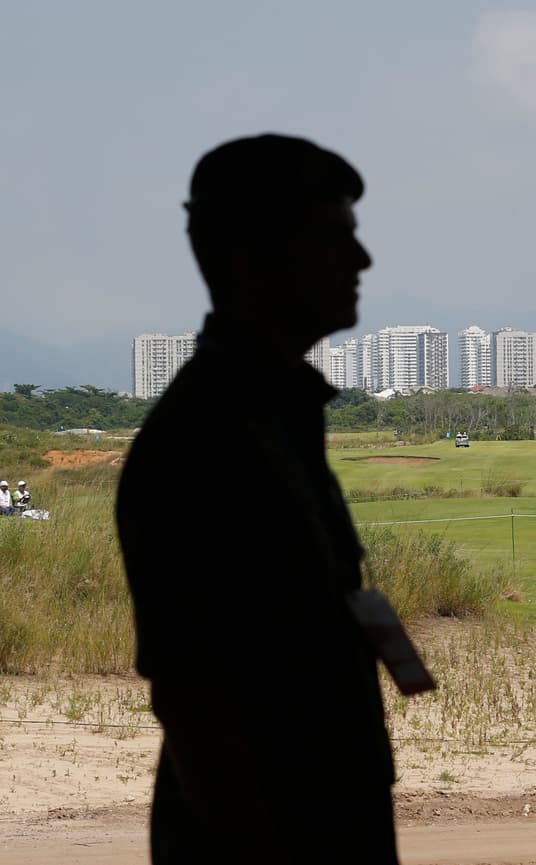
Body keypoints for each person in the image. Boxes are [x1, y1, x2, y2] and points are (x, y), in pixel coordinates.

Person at [116, 133, 404, 864]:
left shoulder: (272, 414)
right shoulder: (209, 437)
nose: (362, 262)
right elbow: (195, 699)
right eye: (334, 240)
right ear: (252, 258)